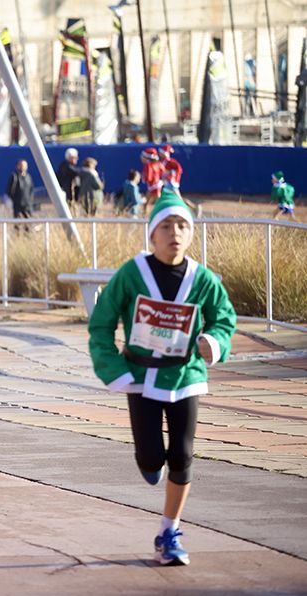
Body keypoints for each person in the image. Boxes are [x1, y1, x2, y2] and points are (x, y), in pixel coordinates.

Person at [88, 189, 236, 567]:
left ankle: (169, 530)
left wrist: (213, 342)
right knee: (152, 457)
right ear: (152, 233)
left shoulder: (203, 279)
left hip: (186, 374)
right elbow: (101, 324)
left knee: (182, 455)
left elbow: (223, 319)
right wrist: (113, 369)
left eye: (182, 226)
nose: (175, 233)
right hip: (140, 376)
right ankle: (150, 462)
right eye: (166, 226)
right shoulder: (132, 274)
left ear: (191, 233)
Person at [140, 147, 164, 215]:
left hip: (153, 186)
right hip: (156, 185)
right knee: (150, 202)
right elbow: (162, 171)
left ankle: (160, 214)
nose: (141, 158)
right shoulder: (158, 163)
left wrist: (145, 179)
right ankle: (145, 214)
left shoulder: (148, 165)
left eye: (143, 156)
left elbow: (148, 177)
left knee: (158, 202)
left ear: (147, 158)